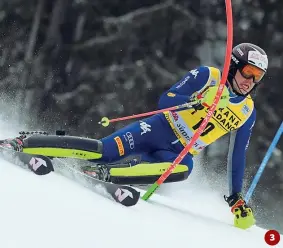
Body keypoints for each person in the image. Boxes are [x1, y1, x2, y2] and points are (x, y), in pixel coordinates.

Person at [0, 43, 268, 229]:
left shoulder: (247, 110)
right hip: (155, 130)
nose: (250, 81)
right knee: (103, 150)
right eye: (248, 73)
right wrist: (197, 101)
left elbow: (237, 155)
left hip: (175, 153)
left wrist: (235, 198)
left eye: (257, 78)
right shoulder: (208, 76)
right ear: (234, 67)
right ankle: (27, 143)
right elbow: (166, 99)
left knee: (184, 168)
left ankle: (105, 175)